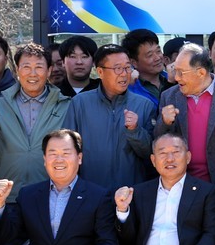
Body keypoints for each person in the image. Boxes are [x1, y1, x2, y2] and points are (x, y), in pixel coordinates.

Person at [155, 42, 215, 221]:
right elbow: (158, 142)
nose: (176, 77)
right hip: (182, 188)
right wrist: (164, 122)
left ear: (201, 72)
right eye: (174, 70)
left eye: (181, 72)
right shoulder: (169, 96)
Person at [0, 43, 71, 196]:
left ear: (49, 71)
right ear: (17, 70)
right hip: (10, 194)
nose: (32, 73)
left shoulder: (65, 105)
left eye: (39, 67)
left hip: (53, 194)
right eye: (26, 67)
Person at [62, 44, 155, 189]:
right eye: (118, 68)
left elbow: (150, 155)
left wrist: (135, 130)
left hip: (131, 192)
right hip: (89, 193)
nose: (124, 74)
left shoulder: (144, 105)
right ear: (100, 71)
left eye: (127, 67)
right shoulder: (80, 103)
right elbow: (67, 149)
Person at [122, 28, 169, 105]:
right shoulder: (128, 90)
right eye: (150, 55)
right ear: (134, 62)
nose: (157, 58)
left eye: (158, 51)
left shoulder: (174, 80)